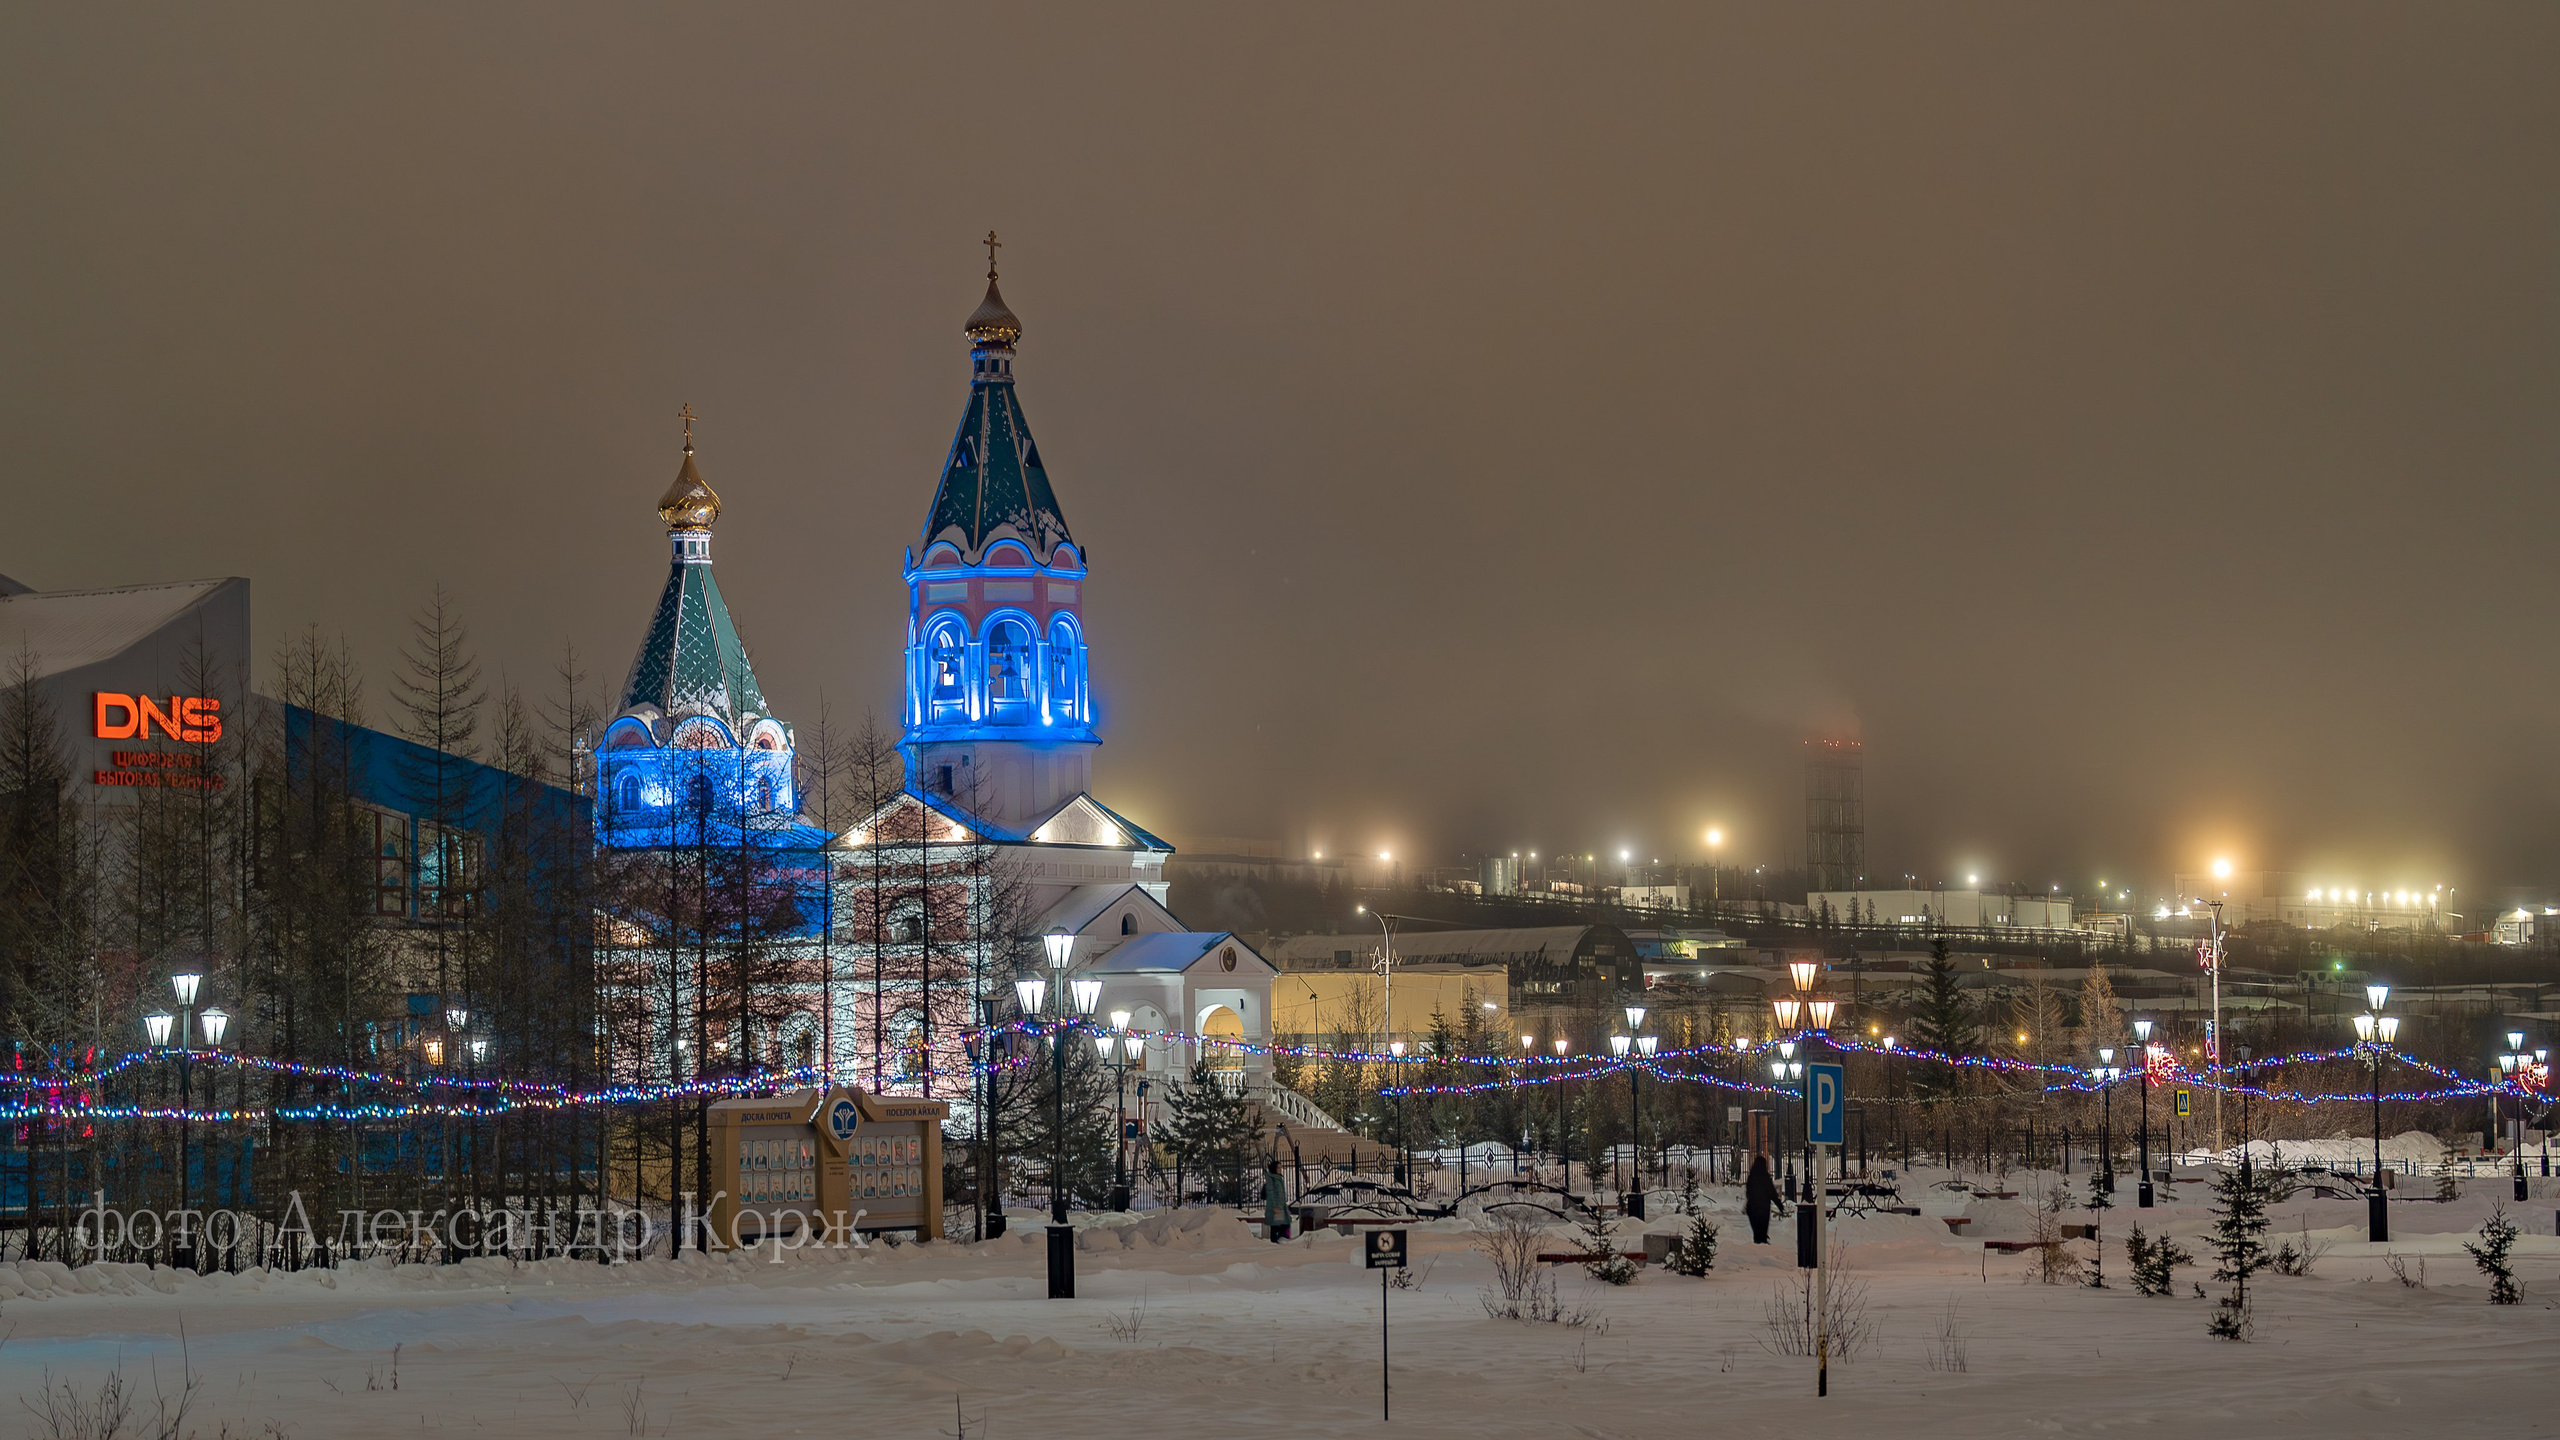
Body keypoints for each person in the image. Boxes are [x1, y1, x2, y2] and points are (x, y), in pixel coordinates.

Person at [1745, 1152, 1779, 1245]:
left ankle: (1758, 1243)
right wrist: (1779, 1205)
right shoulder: (1765, 1177)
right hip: (1764, 1208)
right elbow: (1772, 1192)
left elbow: (1748, 1192)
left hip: (1753, 1208)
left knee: (1756, 1230)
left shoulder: (1751, 1177)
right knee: (1763, 1229)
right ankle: (1763, 1242)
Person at [1263, 1160, 1290, 1242]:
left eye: (1281, 1167)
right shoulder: (1271, 1179)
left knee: (1283, 1224)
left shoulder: (1279, 1178)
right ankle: (1275, 1244)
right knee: (1275, 1226)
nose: (1280, 1169)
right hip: (1276, 1207)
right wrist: (1275, 1206)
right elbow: (1271, 1193)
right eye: (1278, 1167)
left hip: (1281, 1206)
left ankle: (1281, 1241)